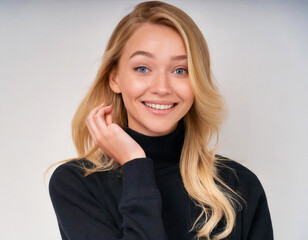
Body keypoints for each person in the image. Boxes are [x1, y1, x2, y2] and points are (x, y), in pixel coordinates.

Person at [48, 1, 273, 239]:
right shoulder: (77, 184)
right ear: (115, 78)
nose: (162, 88)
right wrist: (135, 165)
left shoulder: (239, 186)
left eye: (180, 70)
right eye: (143, 68)